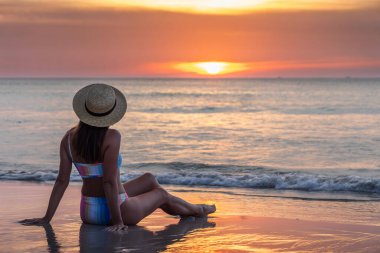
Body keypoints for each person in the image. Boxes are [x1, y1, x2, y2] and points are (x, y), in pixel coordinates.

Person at [20, 83, 216, 232]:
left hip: (88, 211)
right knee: (162, 195)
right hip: (117, 210)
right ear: (110, 114)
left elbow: (62, 181)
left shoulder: (69, 137)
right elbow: (108, 183)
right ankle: (197, 210)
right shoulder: (112, 137)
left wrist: (47, 218)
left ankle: (186, 212)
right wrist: (118, 221)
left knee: (149, 179)